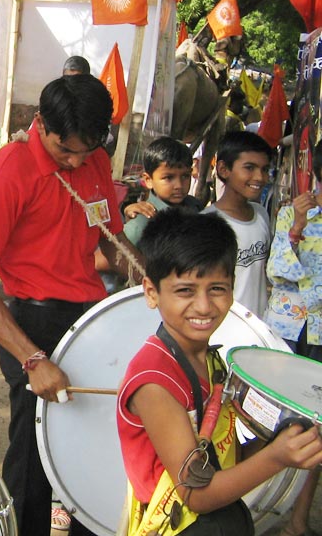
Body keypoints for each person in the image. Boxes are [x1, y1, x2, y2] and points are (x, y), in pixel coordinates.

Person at [0, 74, 143, 536]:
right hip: (32, 323)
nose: (78, 160)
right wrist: (32, 359)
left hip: (89, 320)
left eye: (87, 150)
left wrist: (144, 273)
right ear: (41, 123)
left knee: (98, 444)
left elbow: (111, 239)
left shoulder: (96, 159)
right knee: (33, 460)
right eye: (67, 150)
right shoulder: (9, 171)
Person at [118, 208, 322, 536]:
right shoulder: (156, 380)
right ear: (152, 292)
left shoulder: (209, 359)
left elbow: (225, 457)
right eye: (185, 290)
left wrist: (283, 436)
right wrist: (278, 456)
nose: (204, 306)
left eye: (217, 288)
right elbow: (196, 494)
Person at [264, 139, 322, 536]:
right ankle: (257, 507)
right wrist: (298, 228)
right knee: (272, 420)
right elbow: (276, 272)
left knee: (316, 428)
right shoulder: (290, 214)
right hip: (286, 331)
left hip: (318, 335)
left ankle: (297, 521)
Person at [202, 130, 273, 318]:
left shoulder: (261, 215)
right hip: (225, 327)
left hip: (259, 325)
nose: (259, 177)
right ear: (224, 169)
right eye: (249, 168)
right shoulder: (207, 223)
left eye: (264, 169)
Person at [122, 136, 203, 247]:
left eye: (185, 176)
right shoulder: (141, 225)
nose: (179, 185)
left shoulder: (195, 208)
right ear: (148, 180)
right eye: (168, 178)